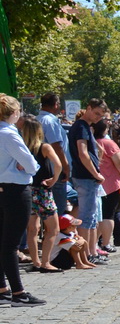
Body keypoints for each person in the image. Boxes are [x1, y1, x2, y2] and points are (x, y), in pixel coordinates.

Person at [1, 95, 46, 305]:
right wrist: (28, 166)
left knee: (3, 241)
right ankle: (18, 293)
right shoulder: (9, 134)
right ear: (13, 113)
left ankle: (2, 288)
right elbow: (30, 164)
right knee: (11, 244)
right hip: (16, 190)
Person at [66, 98, 107, 263]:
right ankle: (87, 254)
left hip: (85, 176)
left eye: (101, 115)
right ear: (88, 108)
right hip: (85, 177)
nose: (98, 117)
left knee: (90, 217)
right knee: (87, 217)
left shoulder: (83, 127)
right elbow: (82, 153)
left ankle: (91, 252)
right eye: (96, 113)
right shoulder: (81, 127)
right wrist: (96, 174)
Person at [19, 115, 61, 273]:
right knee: (53, 229)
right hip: (43, 191)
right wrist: (54, 179)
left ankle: (36, 261)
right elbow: (58, 164)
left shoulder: (22, 148)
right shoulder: (44, 147)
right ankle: (46, 262)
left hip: (28, 190)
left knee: (32, 229)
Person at [93, 118, 120, 249]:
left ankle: (97, 242)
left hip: (97, 183)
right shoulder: (108, 143)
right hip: (111, 183)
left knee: (100, 214)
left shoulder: (92, 143)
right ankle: (106, 243)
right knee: (109, 215)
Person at [37, 92, 71, 218]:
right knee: (59, 206)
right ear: (56, 105)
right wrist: (65, 166)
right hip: (55, 168)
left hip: (42, 167)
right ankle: (57, 233)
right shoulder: (49, 121)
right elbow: (56, 146)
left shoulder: (37, 119)